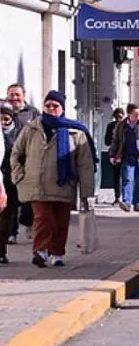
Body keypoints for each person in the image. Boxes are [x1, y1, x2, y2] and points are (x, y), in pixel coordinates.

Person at [11, 91, 97, 268]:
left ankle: (57, 253)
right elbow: (16, 154)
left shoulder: (76, 131)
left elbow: (85, 164)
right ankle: (41, 251)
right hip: (38, 185)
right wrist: (19, 177)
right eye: (48, 105)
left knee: (60, 221)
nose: (51, 109)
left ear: (62, 108)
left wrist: (87, 192)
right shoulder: (31, 128)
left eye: (55, 106)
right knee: (43, 218)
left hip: (64, 184)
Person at [109, 104, 139, 212]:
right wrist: (112, 155)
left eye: (138, 114)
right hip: (127, 156)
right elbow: (115, 141)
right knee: (127, 179)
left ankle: (137, 202)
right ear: (129, 114)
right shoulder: (121, 126)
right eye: (135, 114)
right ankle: (127, 202)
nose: (138, 116)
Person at [7, 83, 40, 243]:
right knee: (10, 199)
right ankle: (11, 232)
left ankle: (27, 223)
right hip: (7, 162)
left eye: (17, 95)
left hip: (27, 162)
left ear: (24, 95)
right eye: (11, 95)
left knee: (28, 197)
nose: (14, 98)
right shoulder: (3, 112)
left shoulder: (33, 113)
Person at [0, 101, 21, 264]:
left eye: (6, 119)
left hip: (11, 180)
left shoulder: (19, 134)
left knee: (7, 215)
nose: (3, 122)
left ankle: (2, 249)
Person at [104, 107, 125, 205]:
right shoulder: (110, 126)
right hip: (114, 153)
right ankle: (117, 197)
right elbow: (106, 141)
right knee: (116, 176)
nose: (118, 119)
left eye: (120, 117)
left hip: (125, 153)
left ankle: (126, 197)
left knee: (126, 176)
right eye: (117, 117)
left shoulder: (126, 126)